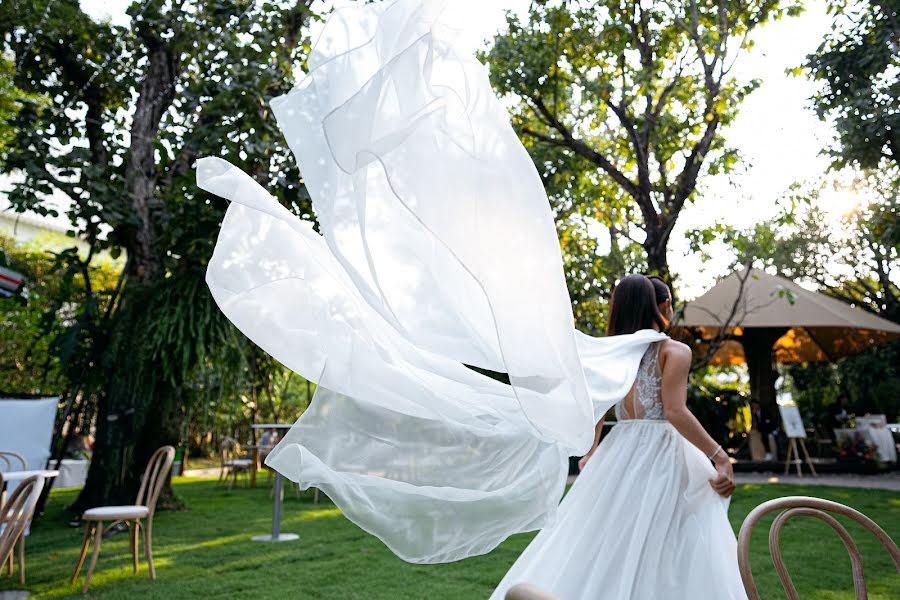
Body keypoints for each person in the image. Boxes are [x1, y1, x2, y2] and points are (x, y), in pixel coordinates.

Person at [490, 275, 745, 600]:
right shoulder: (675, 351)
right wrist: (720, 456)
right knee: (669, 536)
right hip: (662, 454)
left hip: (619, 452)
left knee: (604, 535)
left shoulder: (614, 354)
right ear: (663, 305)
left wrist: (593, 450)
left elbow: (598, 404)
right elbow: (675, 411)